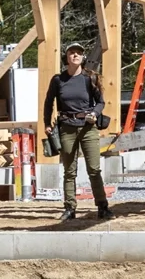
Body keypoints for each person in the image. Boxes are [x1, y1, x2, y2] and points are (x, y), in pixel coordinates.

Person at [43, 42, 111, 220]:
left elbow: (101, 102)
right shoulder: (58, 80)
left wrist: (95, 114)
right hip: (66, 127)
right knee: (69, 170)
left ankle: (102, 206)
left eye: (79, 53)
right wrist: (47, 123)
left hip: (88, 128)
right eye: (72, 53)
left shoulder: (90, 78)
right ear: (67, 57)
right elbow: (48, 102)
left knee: (94, 169)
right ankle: (70, 208)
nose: (75, 55)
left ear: (83, 57)